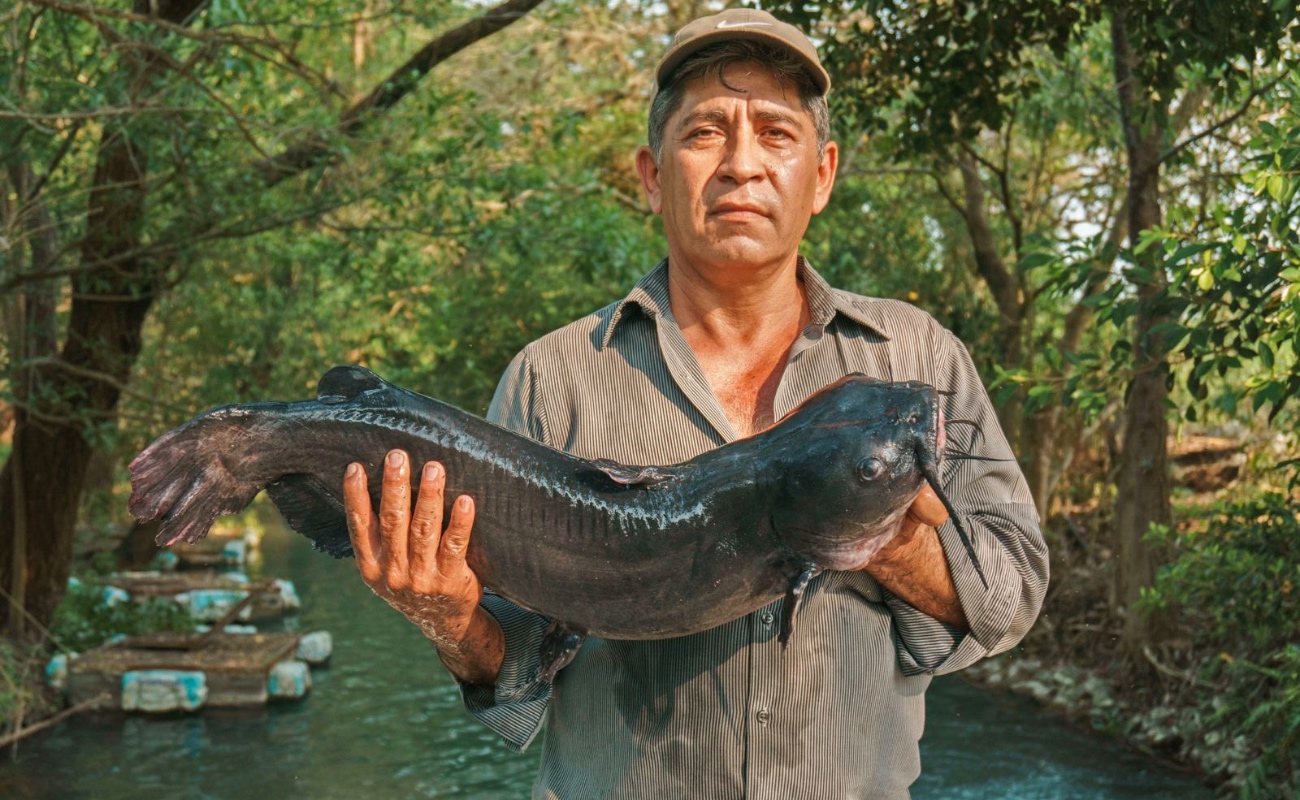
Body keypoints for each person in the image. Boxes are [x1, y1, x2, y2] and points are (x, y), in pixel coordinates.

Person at [342, 8, 1048, 798]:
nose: (742, 165)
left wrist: (874, 526)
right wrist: (450, 621)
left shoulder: (918, 360)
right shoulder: (553, 377)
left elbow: (1010, 601)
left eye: (777, 133)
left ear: (822, 175)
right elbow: (519, 667)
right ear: (652, 176)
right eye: (705, 132)